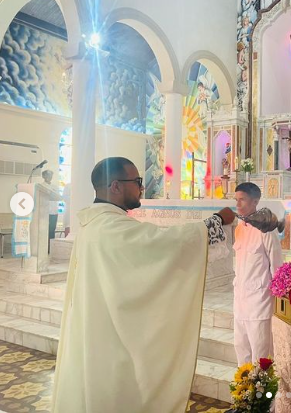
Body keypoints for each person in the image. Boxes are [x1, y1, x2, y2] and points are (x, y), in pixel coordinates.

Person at [52, 157, 235, 413]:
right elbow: (162, 243)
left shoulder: (93, 224)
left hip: (99, 332)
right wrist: (216, 222)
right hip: (109, 344)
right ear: (115, 186)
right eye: (136, 182)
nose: (142, 188)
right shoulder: (109, 226)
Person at [233, 182, 283, 365]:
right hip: (240, 303)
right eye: (236, 200)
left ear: (255, 202)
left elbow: (277, 268)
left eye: (242, 200)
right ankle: (244, 393)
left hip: (259, 303)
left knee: (261, 359)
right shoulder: (239, 228)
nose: (238, 204)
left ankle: (261, 394)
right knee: (241, 353)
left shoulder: (266, 230)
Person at [41, 170, 59, 250]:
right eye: (48, 175)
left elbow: (58, 197)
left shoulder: (55, 186)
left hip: (54, 212)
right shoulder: (41, 186)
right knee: (44, 230)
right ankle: (44, 247)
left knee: (52, 230)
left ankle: (51, 248)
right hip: (44, 212)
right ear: (44, 176)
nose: (50, 177)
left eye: (51, 176)